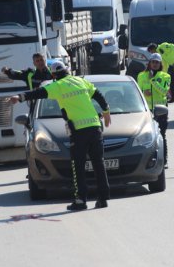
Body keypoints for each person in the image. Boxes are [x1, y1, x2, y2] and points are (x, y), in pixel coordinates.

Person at [8, 61, 111, 210]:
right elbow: (98, 94)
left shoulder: (58, 86)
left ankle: (81, 200)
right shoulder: (80, 80)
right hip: (95, 127)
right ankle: (103, 199)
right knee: (98, 163)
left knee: (78, 167)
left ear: (54, 75)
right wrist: (106, 112)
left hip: (79, 131)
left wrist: (20, 97)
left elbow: (39, 93)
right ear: (67, 70)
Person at [137, 53, 171, 166]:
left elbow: (163, 91)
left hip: (161, 110)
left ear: (160, 64)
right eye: (153, 62)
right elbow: (137, 92)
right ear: (149, 63)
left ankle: (164, 160)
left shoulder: (165, 76)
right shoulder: (141, 75)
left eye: (157, 62)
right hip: (147, 112)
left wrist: (153, 81)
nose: (155, 64)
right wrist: (143, 92)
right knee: (146, 137)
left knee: (161, 135)